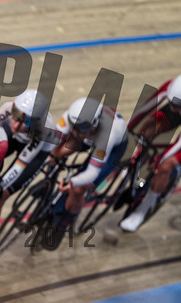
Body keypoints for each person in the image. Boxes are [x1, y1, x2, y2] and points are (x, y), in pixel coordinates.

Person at [119, 73, 181, 232]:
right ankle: (137, 164)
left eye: (176, 104)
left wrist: (159, 159)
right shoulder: (170, 89)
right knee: (146, 129)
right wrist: (128, 128)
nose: (172, 106)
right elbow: (145, 109)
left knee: (167, 165)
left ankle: (142, 211)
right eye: (171, 101)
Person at [47, 97, 128, 248]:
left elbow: (92, 172)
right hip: (88, 136)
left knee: (78, 189)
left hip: (113, 149)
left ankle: (65, 223)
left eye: (79, 128)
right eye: (73, 127)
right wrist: (52, 160)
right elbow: (53, 141)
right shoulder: (71, 117)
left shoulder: (107, 135)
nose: (74, 131)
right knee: (58, 151)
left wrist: (73, 182)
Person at [0, 89, 58, 231]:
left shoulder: (43, 127)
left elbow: (21, 163)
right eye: (15, 117)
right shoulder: (7, 108)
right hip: (15, 138)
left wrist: (1, 185)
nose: (16, 125)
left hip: (36, 153)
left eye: (25, 122)